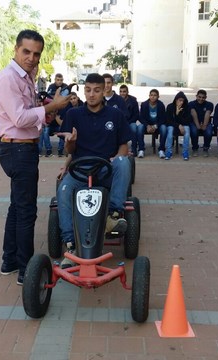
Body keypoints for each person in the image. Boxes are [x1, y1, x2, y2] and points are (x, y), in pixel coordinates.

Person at [0, 29, 70, 285]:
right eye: (26, 52)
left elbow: (28, 114)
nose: (31, 58)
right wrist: (52, 107)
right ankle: (26, 270)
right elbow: (20, 118)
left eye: (36, 54)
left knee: (17, 207)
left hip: (22, 147)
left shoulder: (26, 77)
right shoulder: (8, 78)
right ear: (15, 50)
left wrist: (45, 114)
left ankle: (10, 260)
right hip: (17, 150)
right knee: (26, 211)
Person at [56, 73, 131, 268]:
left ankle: (112, 217)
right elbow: (70, 150)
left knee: (124, 162)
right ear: (83, 91)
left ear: (104, 90)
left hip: (106, 170)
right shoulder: (74, 115)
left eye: (96, 90)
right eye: (88, 90)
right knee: (63, 190)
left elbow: (124, 145)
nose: (92, 95)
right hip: (80, 170)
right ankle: (71, 244)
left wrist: (117, 158)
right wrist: (70, 144)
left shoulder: (115, 115)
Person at [53, 92, 83, 157]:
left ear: (77, 98)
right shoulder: (66, 109)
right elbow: (61, 122)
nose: (73, 100)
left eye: (74, 98)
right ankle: (61, 149)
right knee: (64, 132)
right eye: (71, 99)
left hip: (81, 127)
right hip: (69, 127)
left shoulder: (83, 106)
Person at [163, 91, 191, 160]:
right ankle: (169, 151)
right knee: (170, 131)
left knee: (187, 131)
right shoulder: (170, 107)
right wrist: (178, 123)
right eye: (180, 100)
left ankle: (185, 152)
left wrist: (178, 115)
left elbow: (187, 121)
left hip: (183, 125)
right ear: (176, 100)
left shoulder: (187, 108)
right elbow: (168, 120)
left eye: (183, 101)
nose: (181, 102)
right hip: (173, 125)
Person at [139, 89, 166, 158]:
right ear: (149, 96)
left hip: (157, 125)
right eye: (151, 95)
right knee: (139, 128)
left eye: (155, 95)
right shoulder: (144, 104)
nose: (153, 97)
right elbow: (141, 117)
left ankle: (161, 150)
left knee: (164, 128)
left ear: (158, 96)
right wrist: (147, 126)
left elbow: (163, 118)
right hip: (147, 125)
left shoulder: (161, 105)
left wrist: (155, 126)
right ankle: (141, 149)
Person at [188, 89, 214, 157]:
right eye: (199, 97)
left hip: (206, 123)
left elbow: (207, 113)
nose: (201, 99)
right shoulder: (191, 104)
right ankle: (195, 148)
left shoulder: (209, 104)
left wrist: (204, 125)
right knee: (194, 131)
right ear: (196, 96)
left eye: (203, 97)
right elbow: (193, 113)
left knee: (208, 132)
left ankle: (206, 148)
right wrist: (198, 126)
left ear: (206, 97)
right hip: (194, 122)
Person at [119, 84, 142, 157]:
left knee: (134, 128)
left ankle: (134, 148)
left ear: (127, 92)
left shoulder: (133, 100)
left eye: (124, 91)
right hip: (120, 122)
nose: (122, 93)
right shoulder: (117, 100)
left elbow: (136, 114)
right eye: (121, 91)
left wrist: (128, 123)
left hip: (131, 121)